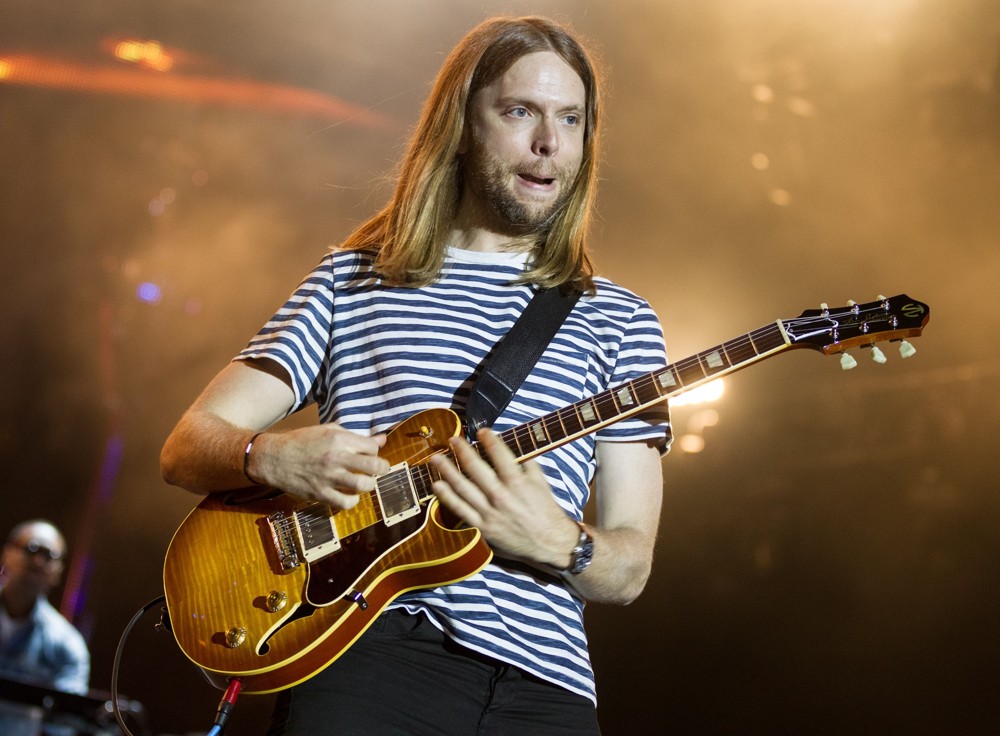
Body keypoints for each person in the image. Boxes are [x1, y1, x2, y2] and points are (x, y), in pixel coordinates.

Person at [161, 15, 670, 736]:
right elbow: (185, 445)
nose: (549, 143)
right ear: (463, 124)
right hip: (374, 658)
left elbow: (629, 569)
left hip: (547, 693)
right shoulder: (352, 280)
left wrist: (559, 542)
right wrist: (269, 454)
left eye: (571, 119)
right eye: (520, 111)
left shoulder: (619, 320)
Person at [0, 520, 91, 735]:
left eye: (50, 556)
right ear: (7, 553)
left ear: (58, 571)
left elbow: (64, 723)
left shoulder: (67, 644)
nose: (39, 561)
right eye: (32, 548)